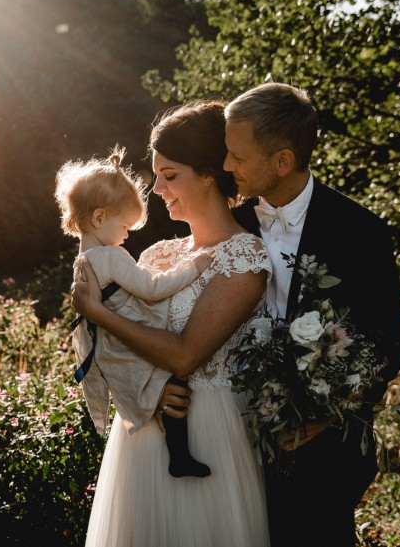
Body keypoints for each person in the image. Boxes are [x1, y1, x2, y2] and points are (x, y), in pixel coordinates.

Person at [219, 82, 400, 546]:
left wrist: (328, 412)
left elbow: (388, 337)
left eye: (238, 157)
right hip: (230, 441)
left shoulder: (360, 231)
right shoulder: (227, 224)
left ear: (282, 161)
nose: (226, 166)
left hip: (323, 455)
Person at [71, 101, 272, 547]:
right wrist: (147, 390)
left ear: (209, 173)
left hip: (208, 431)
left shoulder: (244, 258)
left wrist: (97, 312)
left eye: (171, 174)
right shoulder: (155, 256)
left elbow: (186, 353)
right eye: (157, 174)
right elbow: (117, 349)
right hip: (143, 429)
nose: (156, 187)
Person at [54, 146, 213, 478]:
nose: (126, 235)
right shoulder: (111, 257)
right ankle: (180, 456)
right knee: (175, 385)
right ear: (99, 218)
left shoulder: (82, 259)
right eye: (125, 226)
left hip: (111, 346)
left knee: (158, 390)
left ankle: (174, 453)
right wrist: (192, 268)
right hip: (131, 338)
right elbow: (152, 289)